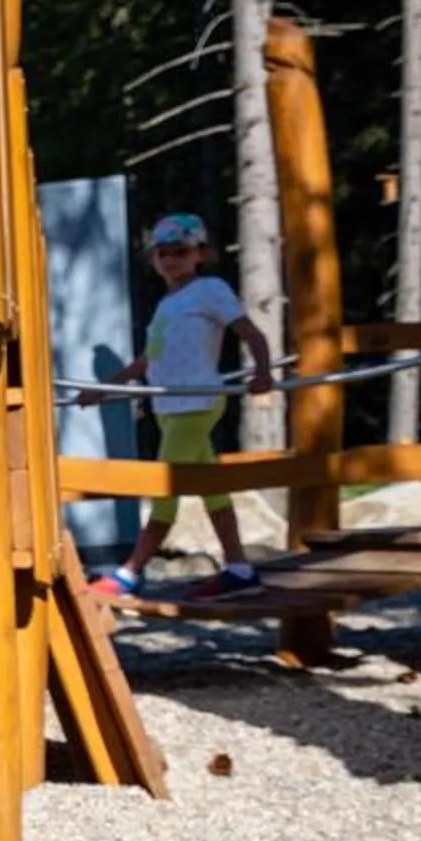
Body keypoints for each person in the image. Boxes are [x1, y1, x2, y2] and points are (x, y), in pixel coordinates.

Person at [83, 212, 277, 600]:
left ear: (200, 254)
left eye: (181, 252)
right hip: (170, 408)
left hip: (196, 403)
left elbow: (251, 333)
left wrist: (263, 373)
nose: (171, 260)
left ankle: (130, 573)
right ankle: (239, 569)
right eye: (163, 253)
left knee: (164, 488)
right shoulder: (166, 304)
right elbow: (147, 361)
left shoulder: (210, 289)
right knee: (212, 489)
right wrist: (104, 389)